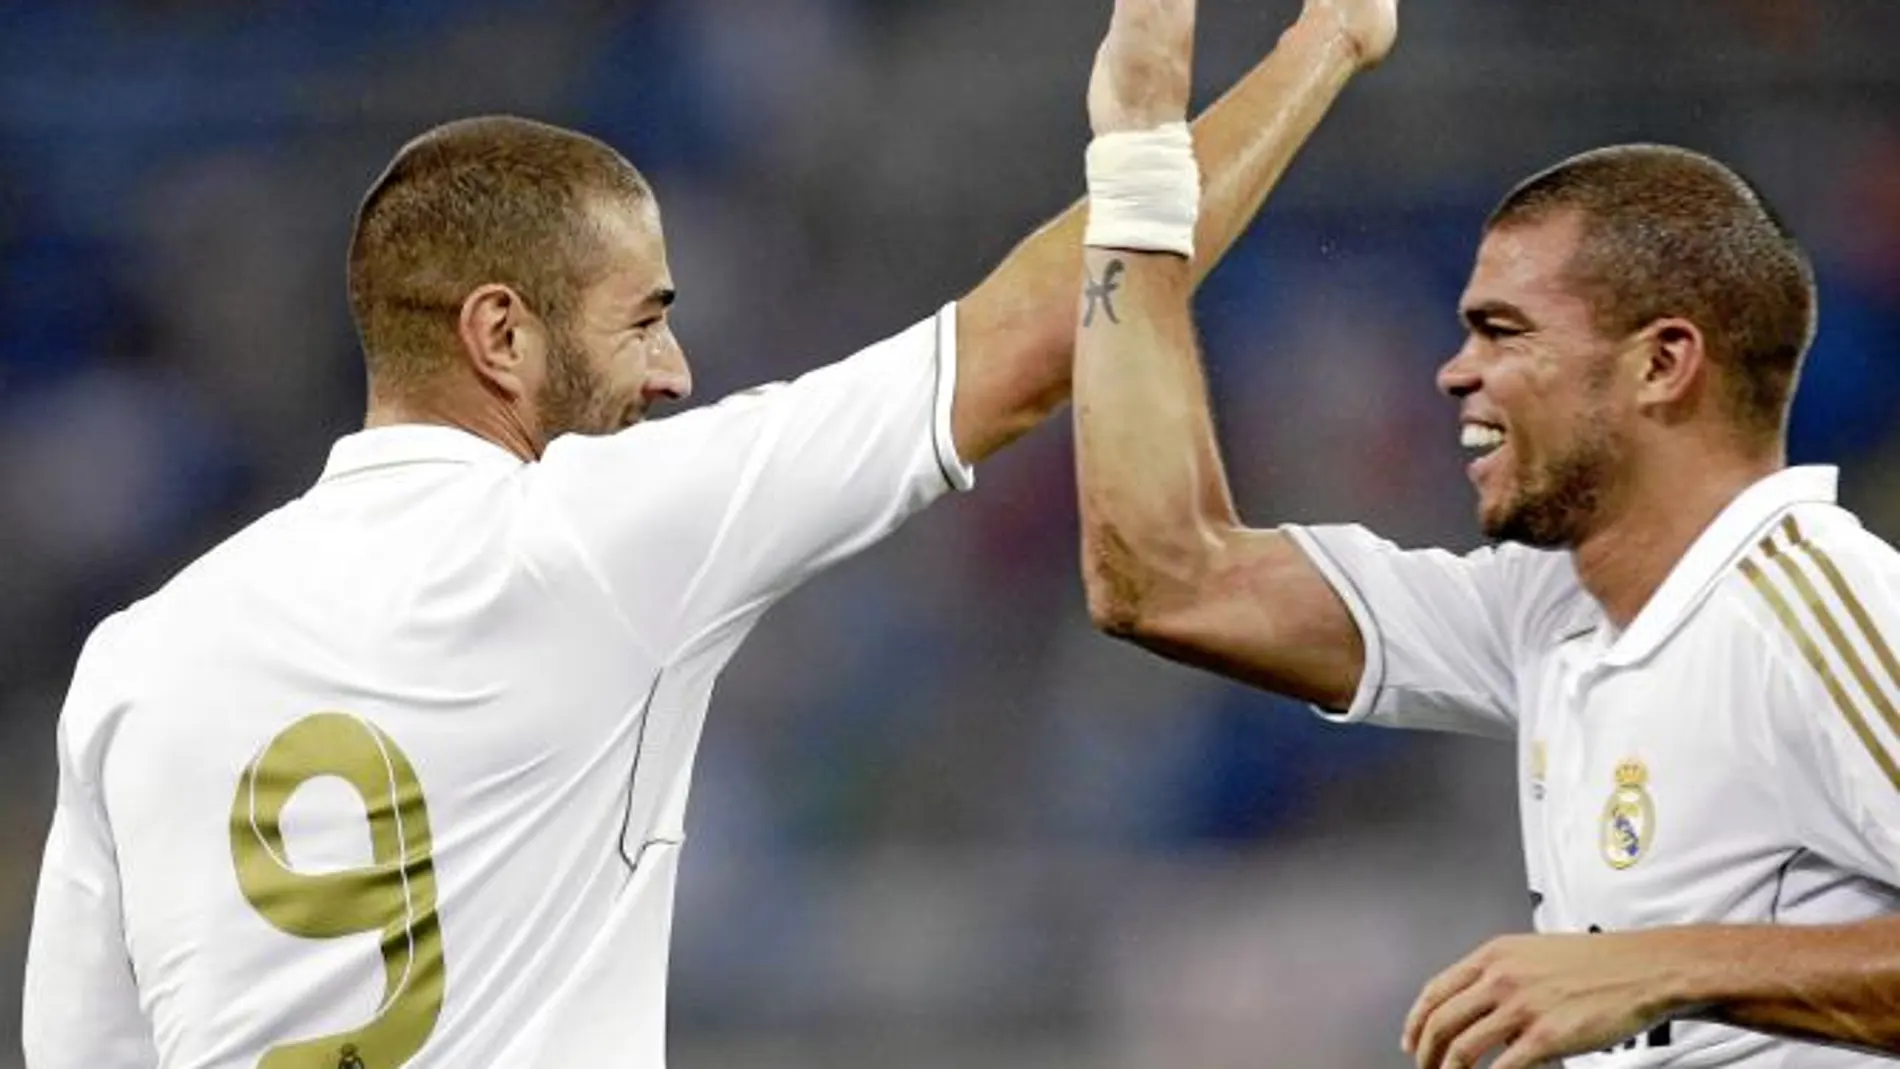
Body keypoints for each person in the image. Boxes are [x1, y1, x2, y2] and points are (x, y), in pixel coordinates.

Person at [19, 2, 1397, 1067]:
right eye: (644, 318)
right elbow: (1034, 350)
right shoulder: (596, 534)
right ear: (502, 333)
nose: (675, 371)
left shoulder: (135, 662)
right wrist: (1307, 55)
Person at [1072, 28, 1900, 1069]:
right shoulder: (1552, 608)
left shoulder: (1822, 612)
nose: (1453, 373)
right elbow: (1168, 579)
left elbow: (1652, 974)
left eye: (1502, 332)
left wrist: (1663, 965)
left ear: (1661, 364)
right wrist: (1136, 176)